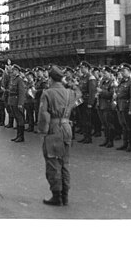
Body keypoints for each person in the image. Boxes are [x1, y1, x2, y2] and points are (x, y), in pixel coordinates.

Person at [38, 65, 81, 206]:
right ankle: (65, 195)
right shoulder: (70, 92)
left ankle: (57, 196)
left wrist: (43, 131)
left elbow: (44, 114)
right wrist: (69, 84)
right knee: (65, 163)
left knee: (53, 163)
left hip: (54, 128)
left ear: (50, 78)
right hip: (67, 127)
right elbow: (79, 96)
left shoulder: (47, 93)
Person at [115, 63, 131, 152]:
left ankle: (130, 145)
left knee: (129, 126)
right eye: (121, 71)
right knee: (123, 126)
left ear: (130, 72)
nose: (122, 73)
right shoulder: (122, 82)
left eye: (124, 71)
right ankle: (125, 143)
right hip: (120, 106)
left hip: (127, 107)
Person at [77, 61, 97, 144]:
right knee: (83, 120)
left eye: (82, 68)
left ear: (87, 68)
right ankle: (85, 136)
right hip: (81, 101)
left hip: (87, 101)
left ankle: (88, 137)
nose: (81, 69)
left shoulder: (90, 78)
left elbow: (92, 92)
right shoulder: (82, 78)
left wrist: (90, 103)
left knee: (87, 120)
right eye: (81, 68)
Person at [8, 64, 26, 142]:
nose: (13, 71)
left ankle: (21, 136)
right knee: (16, 118)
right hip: (12, 101)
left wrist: (20, 103)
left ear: (17, 71)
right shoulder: (13, 79)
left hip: (17, 101)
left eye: (14, 70)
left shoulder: (19, 80)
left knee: (20, 118)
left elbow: (22, 92)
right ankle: (18, 135)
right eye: (13, 70)